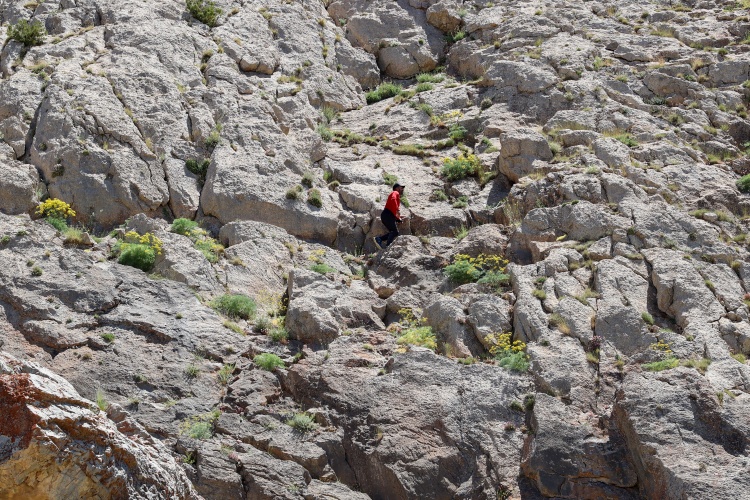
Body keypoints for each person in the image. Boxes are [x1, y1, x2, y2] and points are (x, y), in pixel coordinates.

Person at [374, 183, 405, 249]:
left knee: (394, 232)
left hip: (387, 215)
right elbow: (393, 199)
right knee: (394, 231)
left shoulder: (397, 196)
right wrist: (397, 210)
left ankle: (379, 239)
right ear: (396, 188)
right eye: (401, 187)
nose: (402, 189)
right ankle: (387, 246)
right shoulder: (395, 192)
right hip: (387, 214)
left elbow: (392, 210)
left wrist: (398, 219)